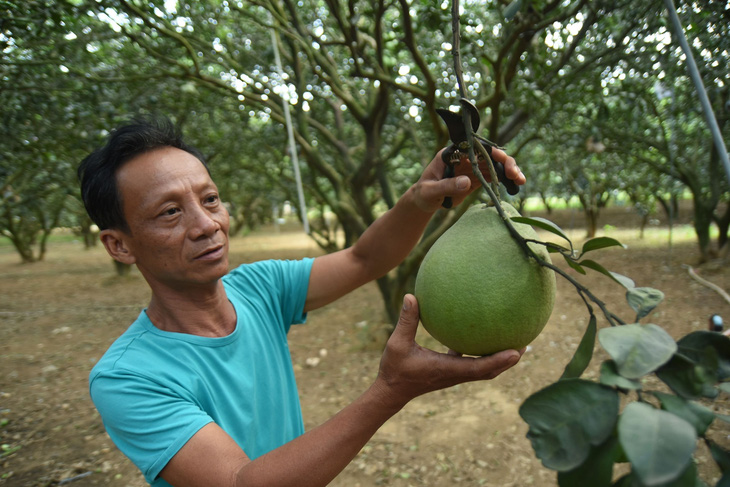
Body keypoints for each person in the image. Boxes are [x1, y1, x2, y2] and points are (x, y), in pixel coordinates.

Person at [78, 117, 527, 487]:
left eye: (210, 199)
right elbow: (239, 482)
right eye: (170, 212)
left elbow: (364, 258)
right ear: (120, 245)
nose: (206, 225)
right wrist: (392, 389)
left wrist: (421, 196)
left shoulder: (257, 287)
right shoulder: (128, 378)